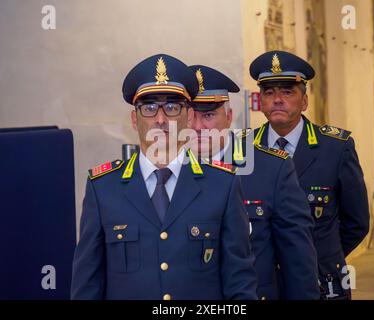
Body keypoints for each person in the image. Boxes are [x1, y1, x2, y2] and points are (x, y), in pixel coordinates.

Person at [71, 54, 258, 300]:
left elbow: (240, 285)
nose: (160, 119)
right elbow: (87, 286)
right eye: (149, 108)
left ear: (188, 117)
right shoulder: (104, 189)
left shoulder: (222, 186)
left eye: (172, 107)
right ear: (134, 119)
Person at [188, 64, 319, 300]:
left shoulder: (271, 168)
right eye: (190, 115)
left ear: (228, 117)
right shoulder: (166, 172)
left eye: (208, 115)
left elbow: (297, 259)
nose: (198, 127)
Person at [249, 50, 370, 300]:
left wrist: (321, 256)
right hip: (262, 286)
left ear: (304, 101)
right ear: (260, 101)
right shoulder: (243, 150)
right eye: (269, 93)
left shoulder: (335, 147)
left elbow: (356, 222)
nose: (277, 100)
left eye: (287, 91)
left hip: (322, 281)